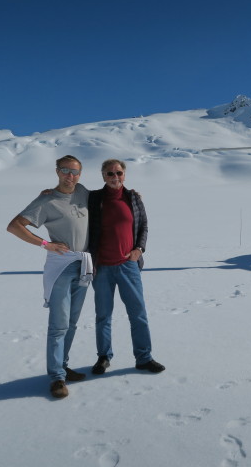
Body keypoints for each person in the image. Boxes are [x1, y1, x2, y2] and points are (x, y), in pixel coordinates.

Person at [6, 155, 92, 399]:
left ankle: (63, 366)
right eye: (65, 171)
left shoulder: (83, 192)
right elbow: (15, 226)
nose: (70, 176)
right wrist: (45, 243)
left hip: (84, 265)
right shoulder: (46, 200)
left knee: (73, 322)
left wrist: (132, 195)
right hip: (62, 267)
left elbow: (106, 197)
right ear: (57, 171)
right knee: (59, 324)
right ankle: (56, 378)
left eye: (75, 172)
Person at [88, 159, 164, 375]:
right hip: (101, 267)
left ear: (125, 175)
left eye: (119, 173)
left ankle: (144, 357)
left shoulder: (133, 198)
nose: (115, 177)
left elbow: (144, 226)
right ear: (103, 176)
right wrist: (49, 192)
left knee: (137, 314)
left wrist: (139, 248)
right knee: (103, 315)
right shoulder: (93, 198)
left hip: (128, 266)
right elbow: (70, 195)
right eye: (110, 174)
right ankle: (104, 357)